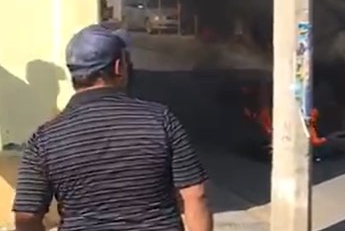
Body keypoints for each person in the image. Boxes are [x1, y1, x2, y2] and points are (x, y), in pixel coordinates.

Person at [12, 24, 213, 231]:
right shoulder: (161, 120)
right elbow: (196, 195)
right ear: (118, 67)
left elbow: (27, 216)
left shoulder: (45, 139)